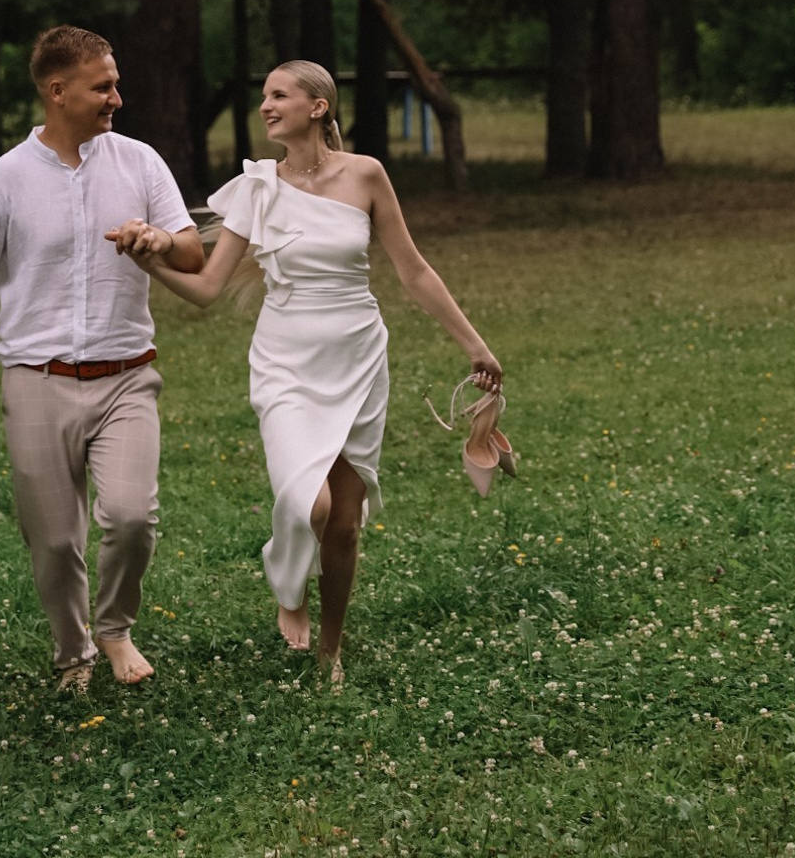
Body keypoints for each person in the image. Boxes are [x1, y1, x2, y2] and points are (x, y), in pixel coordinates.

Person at [109, 61, 501, 686]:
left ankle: (332, 648)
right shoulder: (256, 188)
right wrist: (147, 261)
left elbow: (413, 271)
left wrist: (475, 346)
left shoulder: (366, 175)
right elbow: (208, 287)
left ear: (318, 107)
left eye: (279, 95)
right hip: (286, 361)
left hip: (357, 355)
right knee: (308, 502)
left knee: (343, 522)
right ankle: (289, 579)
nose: (266, 105)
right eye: (263, 95)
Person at [0, 25, 203, 692]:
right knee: (54, 541)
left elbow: (195, 255)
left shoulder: (140, 163)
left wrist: (157, 241)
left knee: (132, 516)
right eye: (102, 86)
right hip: (36, 381)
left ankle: (113, 629)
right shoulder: (2, 182)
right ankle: (71, 651)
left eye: (115, 83)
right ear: (58, 91)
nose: (117, 97)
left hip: (127, 376)